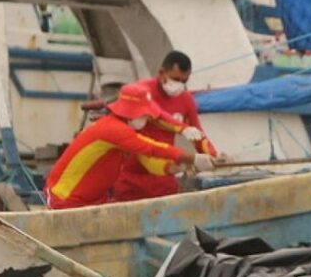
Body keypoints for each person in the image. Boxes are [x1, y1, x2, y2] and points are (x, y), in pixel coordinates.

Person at [43, 85, 215, 209]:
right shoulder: (113, 130)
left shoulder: (124, 130)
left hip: (94, 200)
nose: (147, 118)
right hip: (66, 199)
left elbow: (148, 160)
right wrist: (193, 158)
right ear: (132, 113)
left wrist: (175, 167)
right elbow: (151, 148)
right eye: (145, 115)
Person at [114, 51, 218, 202]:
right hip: (131, 175)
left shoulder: (186, 99)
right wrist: (182, 128)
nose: (179, 85)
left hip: (165, 174)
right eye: (176, 79)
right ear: (162, 73)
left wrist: (214, 157)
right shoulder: (141, 92)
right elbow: (157, 117)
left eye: (184, 81)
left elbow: (198, 135)